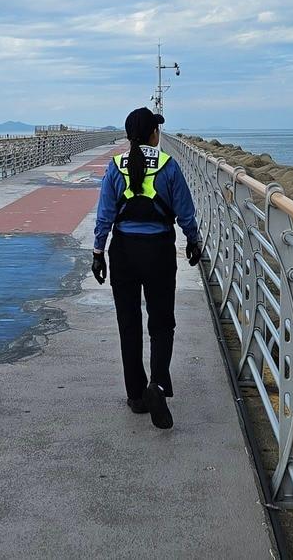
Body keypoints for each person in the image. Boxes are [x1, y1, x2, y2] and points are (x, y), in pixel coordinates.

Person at [91, 107, 201, 429]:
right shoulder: (168, 166)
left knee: (129, 323)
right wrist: (193, 242)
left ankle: (137, 395)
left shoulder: (115, 167)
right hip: (159, 253)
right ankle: (159, 385)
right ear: (155, 134)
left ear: (128, 136)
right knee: (162, 323)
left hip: (123, 252)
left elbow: (104, 217)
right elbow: (185, 213)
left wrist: (98, 253)